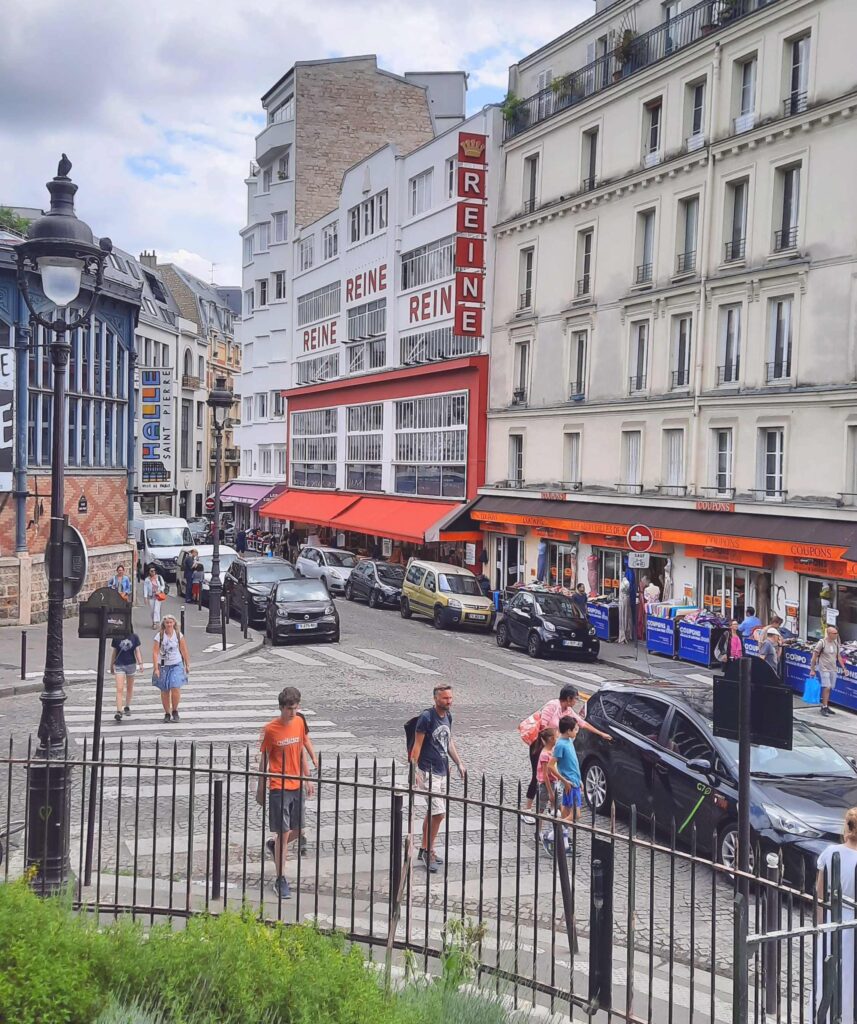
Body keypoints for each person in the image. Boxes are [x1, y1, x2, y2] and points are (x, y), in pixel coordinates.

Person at [520, 685, 611, 825]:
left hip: (553, 746)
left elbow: (581, 723)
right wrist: (548, 747)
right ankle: (527, 809)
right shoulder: (552, 706)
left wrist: (600, 733)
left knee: (552, 778)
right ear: (568, 698)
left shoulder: (567, 710)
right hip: (540, 745)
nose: (576, 701)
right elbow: (543, 727)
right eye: (575, 699)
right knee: (538, 777)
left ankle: (551, 807)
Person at [259, 686, 317, 900]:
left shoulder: (300, 723)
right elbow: (264, 757)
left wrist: (308, 778)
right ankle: (280, 878)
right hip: (278, 785)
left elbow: (300, 749)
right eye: (289, 709)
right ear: (281, 708)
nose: (292, 713)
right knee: (283, 832)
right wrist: (260, 785)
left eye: (295, 708)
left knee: (298, 828)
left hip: (297, 783)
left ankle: (274, 846)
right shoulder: (271, 729)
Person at [409, 684, 465, 874]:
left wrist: (459, 763)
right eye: (445, 698)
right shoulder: (426, 718)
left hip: (441, 770)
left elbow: (448, 741)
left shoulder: (448, 716)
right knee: (439, 813)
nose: (449, 701)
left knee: (433, 812)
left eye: (450, 697)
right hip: (428, 771)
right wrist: (414, 770)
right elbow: (416, 746)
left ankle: (425, 848)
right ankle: (428, 850)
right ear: (436, 699)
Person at [814, 807, 857, 1023]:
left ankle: (824, 1013)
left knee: (827, 971)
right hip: (852, 920)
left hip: (833, 917)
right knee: (850, 974)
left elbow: (820, 893)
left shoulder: (830, 852)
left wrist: (821, 922)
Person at [152, 615, 190, 723]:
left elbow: (184, 650)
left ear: (174, 623)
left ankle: (175, 710)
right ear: (164, 624)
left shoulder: (178, 635)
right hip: (163, 665)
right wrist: (156, 668)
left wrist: (187, 664)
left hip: (176, 663)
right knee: (164, 689)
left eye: (171, 622)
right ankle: (167, 712)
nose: (169, 624)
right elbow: (155, 652)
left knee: (175, 686)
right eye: (167, 622)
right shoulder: (159, 636)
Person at [549, 716, 583, 823]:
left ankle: (561, 836)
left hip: (574, 781)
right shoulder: (561, 745)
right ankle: (555, 832)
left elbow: (572, 764)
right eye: (575, 730)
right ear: (568, 731)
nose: (576, 732)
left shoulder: (569, 741)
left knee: (566, 812)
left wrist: (579, 779)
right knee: (575, 815)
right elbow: (551, 766)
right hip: (570, 783)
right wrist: (564, 781)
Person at [810, 625, 847, 716]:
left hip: (833, 669)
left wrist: (844, 668)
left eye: (837, 633)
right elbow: (814, 656)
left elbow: (838, 656)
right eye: (834, 633)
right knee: (827, 686)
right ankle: (823, 706)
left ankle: (826, 705)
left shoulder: (836, 643)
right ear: (829, 634)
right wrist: (812, 669)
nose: (836, 635)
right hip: (824, 668)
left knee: (830, 687)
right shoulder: (822, 643)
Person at [109, 630, 143, 723]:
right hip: (119, 665)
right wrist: (111, 665)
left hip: (131, 664)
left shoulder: (134, 637)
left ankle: (127, 706)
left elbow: (137, 650)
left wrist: (140, 663)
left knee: (129, 687)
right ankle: (119, 711)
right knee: (119, 688)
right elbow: (114, 652)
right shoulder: (116, 637)